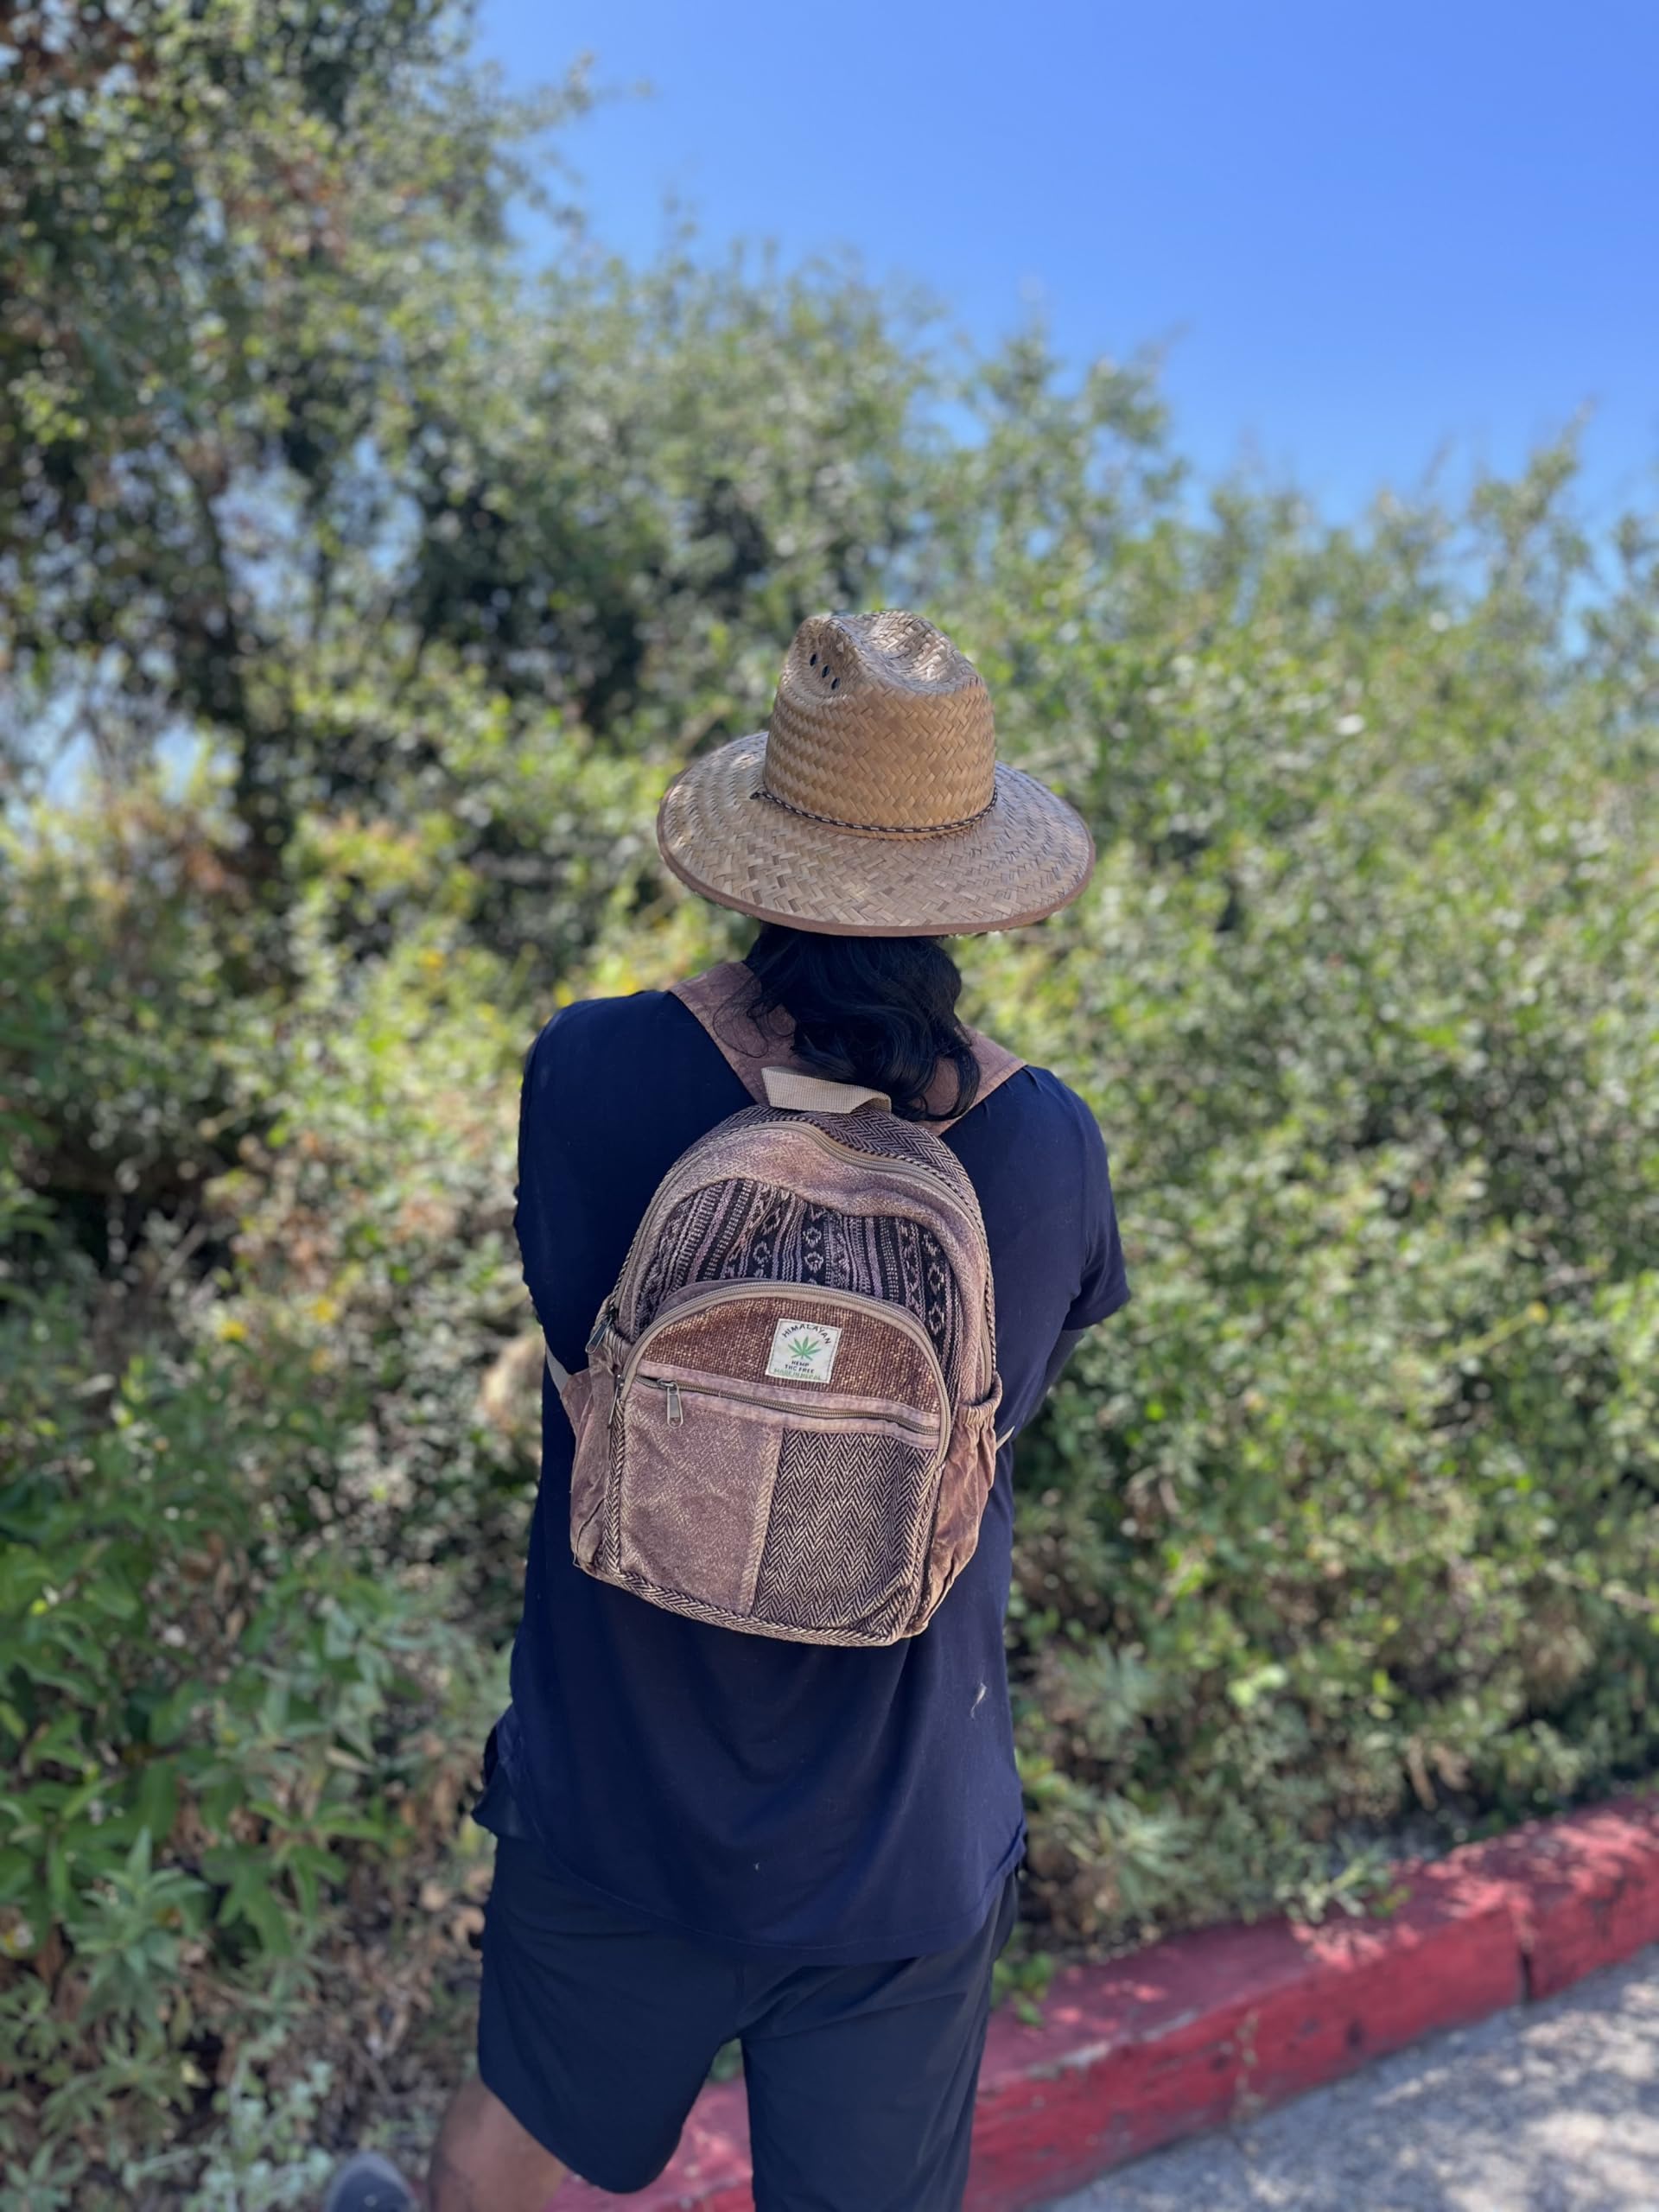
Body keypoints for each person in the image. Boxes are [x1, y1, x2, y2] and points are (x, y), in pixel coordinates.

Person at [326, 611, 1128, 2212]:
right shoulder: (1046, 1149)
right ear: (979, 885)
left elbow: (575, 1336)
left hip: (618, 1789)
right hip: (900, 1825)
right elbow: (1005, 1409)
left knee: (501, 2153)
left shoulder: (596, 1071)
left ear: (754, 857)